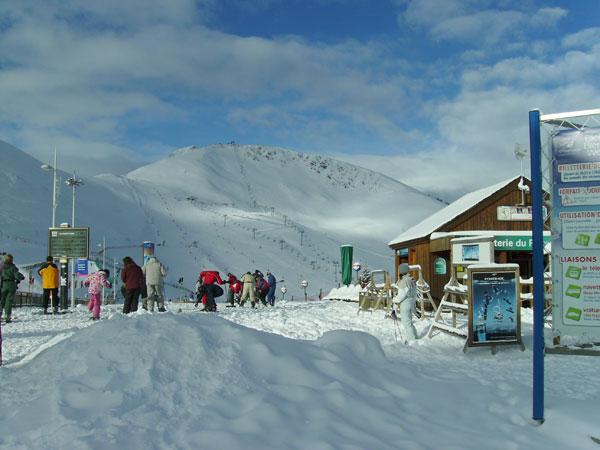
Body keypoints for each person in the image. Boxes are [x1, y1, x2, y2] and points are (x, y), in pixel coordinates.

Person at [393, 263, 418, 343]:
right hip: (411, 302)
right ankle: (415, 337)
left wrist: (395, 300)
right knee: (409, 321)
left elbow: (401, 295)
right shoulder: (412, 280)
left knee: (406, 322)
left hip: (405, 303)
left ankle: (412, 340)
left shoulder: (404, 281)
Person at [0, 254, 25, 323]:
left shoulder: (1, 266)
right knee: (8, 301)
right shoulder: (12, 267)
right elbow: (17, 275)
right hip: (11, 285)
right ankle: (7, 316)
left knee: (1, 300)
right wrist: (21, 277)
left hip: (3, 285)